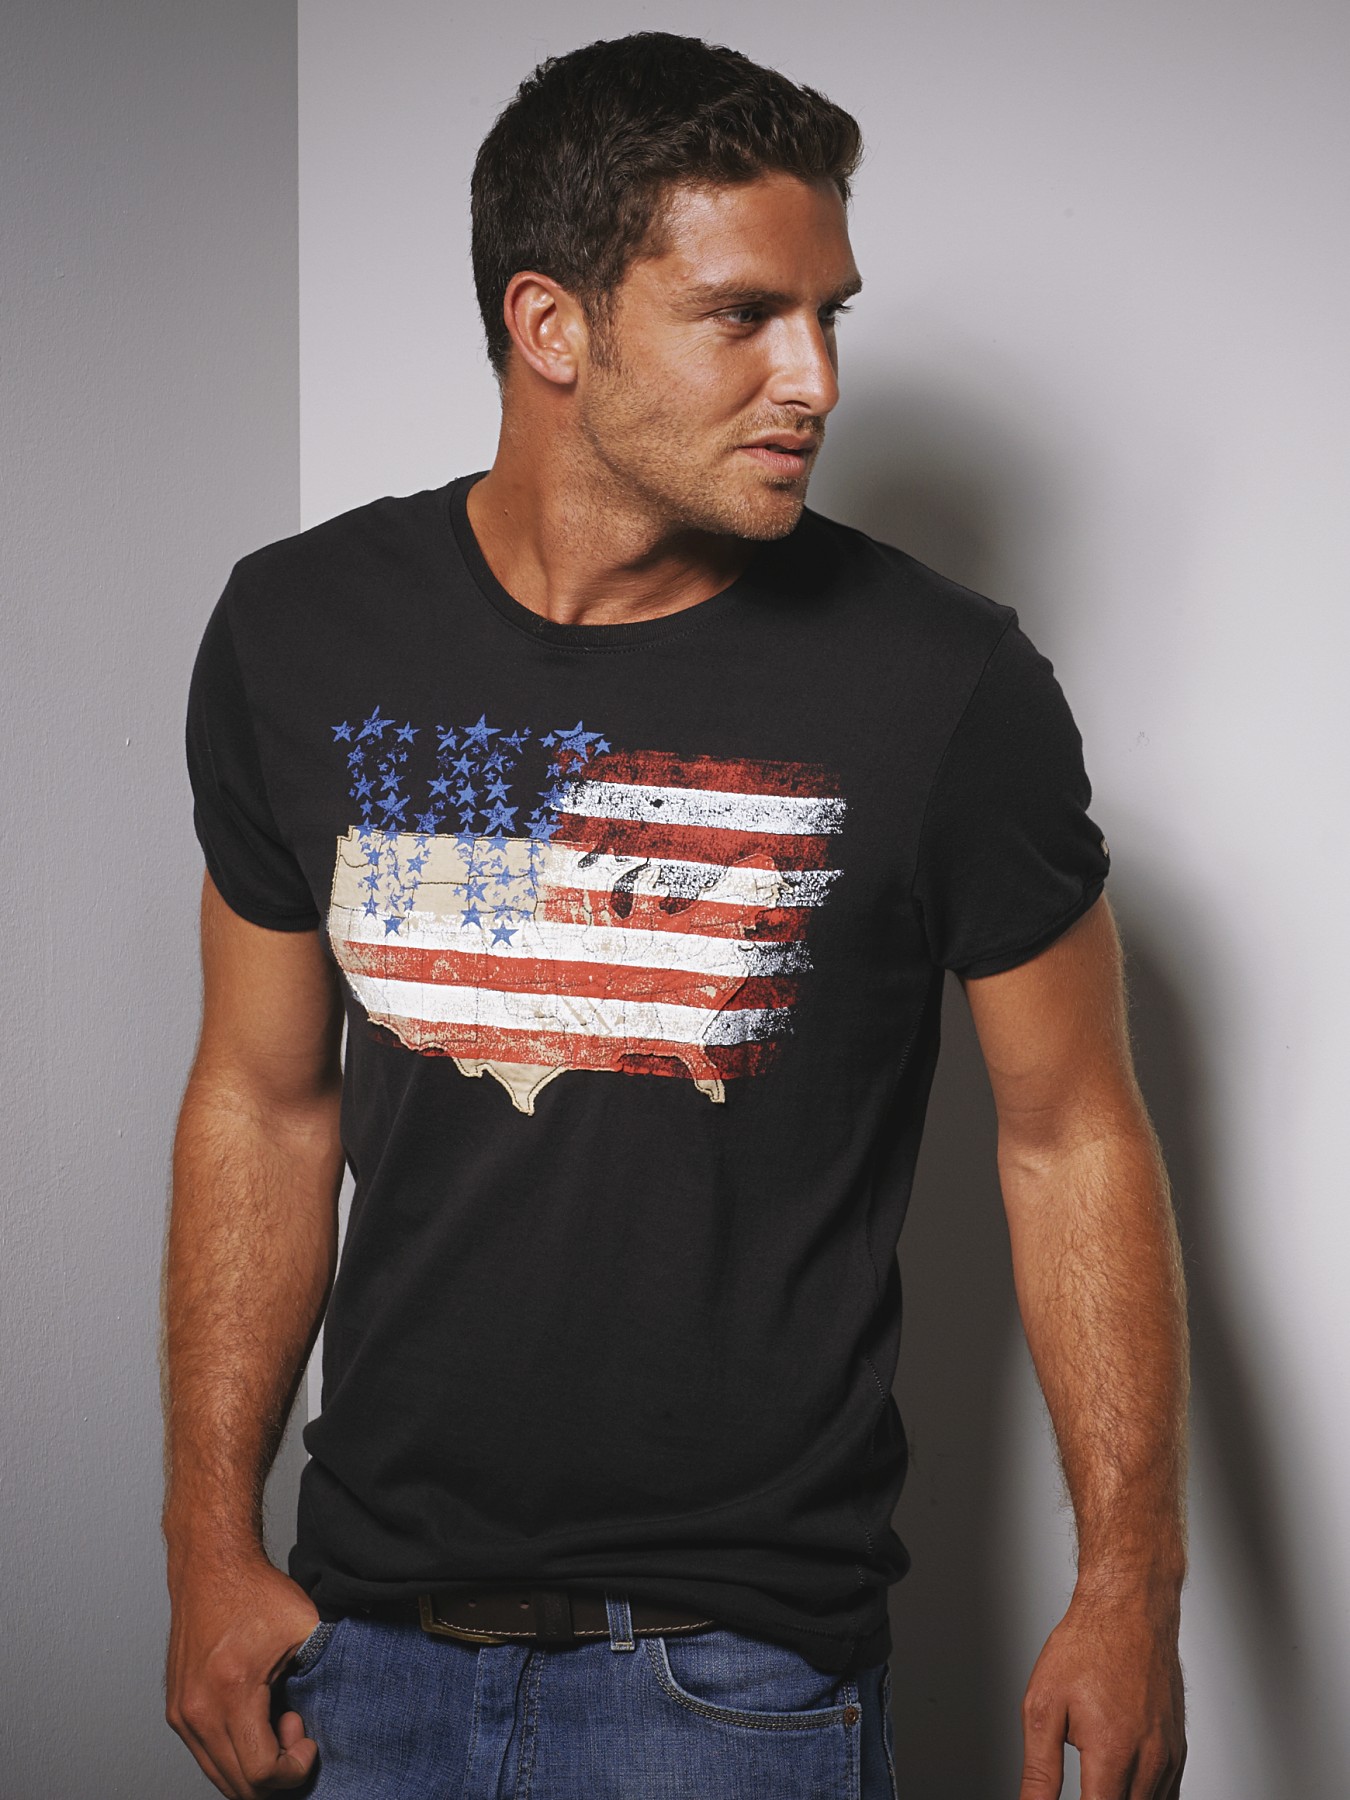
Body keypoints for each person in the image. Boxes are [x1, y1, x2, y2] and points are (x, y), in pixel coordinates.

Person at [162, 30, 1189, 1800]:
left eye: (829, 315)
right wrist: (204, 1541)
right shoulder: (295, 632)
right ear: (551, 327)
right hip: (360, 1654)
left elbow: (1070, 1130)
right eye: (743, 317)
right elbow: (261, 1099)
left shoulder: (943, 683)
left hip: (737, 1681)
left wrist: (1130, 1585)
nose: (815, 378)